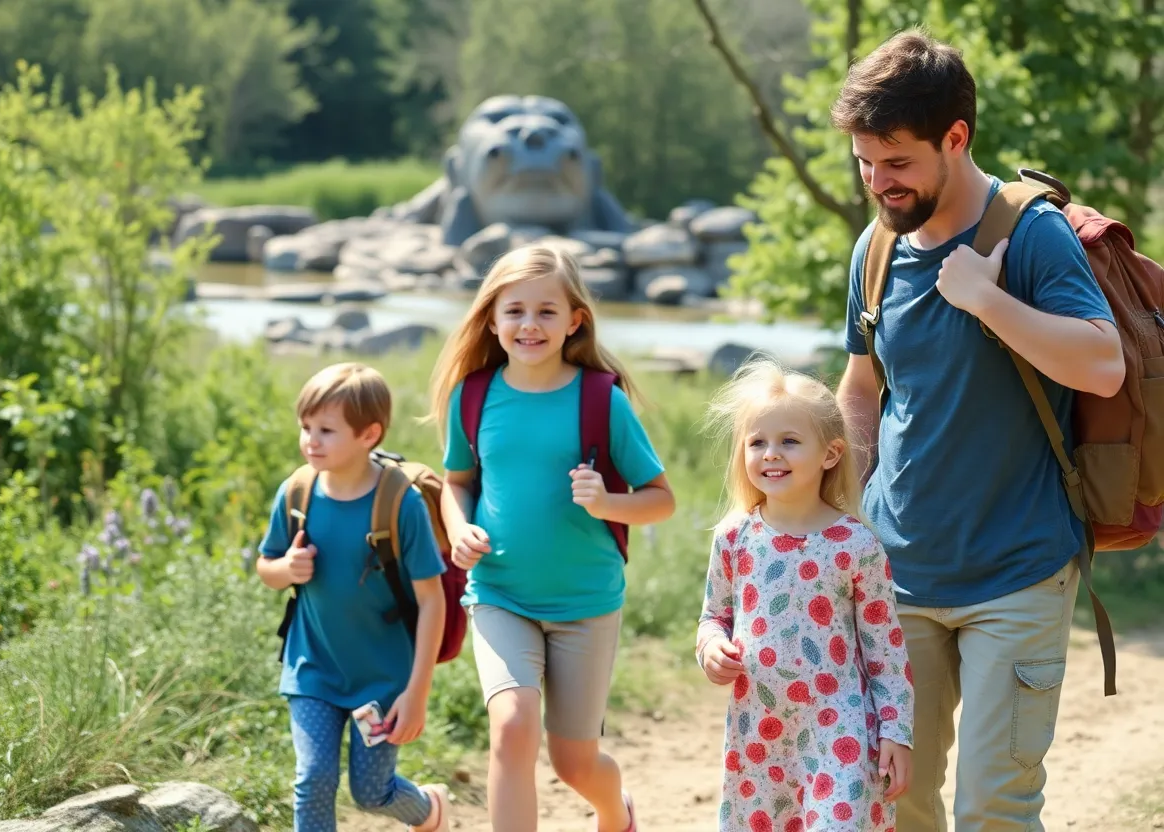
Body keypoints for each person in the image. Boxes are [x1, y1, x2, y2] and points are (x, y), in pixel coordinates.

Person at [829, 29, 1125, 832]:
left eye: (897, 162)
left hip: (1019, 573)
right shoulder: (876, 247)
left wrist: (988, 300)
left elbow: (1104, 365)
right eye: (864, 161)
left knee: (992, 808)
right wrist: (837, 505)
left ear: (955, 138)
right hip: (899, 575)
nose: (877, 182)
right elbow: (862, 386)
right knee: (899, 804)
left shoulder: (1031, 234)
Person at [427, 244, 676, 832]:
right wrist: (459, 527)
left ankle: (617, 812)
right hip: (498, 592)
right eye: (514, 311)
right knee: (512, 726)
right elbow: (455, 482)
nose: (529, 324)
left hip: (584, 604)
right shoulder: (474, 394)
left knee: (574, 762)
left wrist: (606, 500)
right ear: (492, 319)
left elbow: (661, 500)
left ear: (575, 321)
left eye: (546, 311)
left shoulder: (601, 401)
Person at [697, 359, 914, 832]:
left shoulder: (856, 544)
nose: (771, 454)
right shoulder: (734, 538)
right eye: (757, 443)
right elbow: (714, 615)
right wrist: (712, 647)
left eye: (789, 441)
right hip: (759, 733)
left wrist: (897, 731)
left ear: (830, 454)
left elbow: (886, 650)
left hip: (840, 729)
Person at [257, 362, 453, 832]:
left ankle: (429, 811)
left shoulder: (400, 505)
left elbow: (432, 601)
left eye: (327, 430)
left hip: (383, 682)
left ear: (370, 434)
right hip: (313, 669)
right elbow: (267, 567)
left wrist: (417, 693)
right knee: (313, 779)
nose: (311, 441)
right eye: (306, 427)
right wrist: (287, 570)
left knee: (371, 793)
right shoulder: (296, 492)